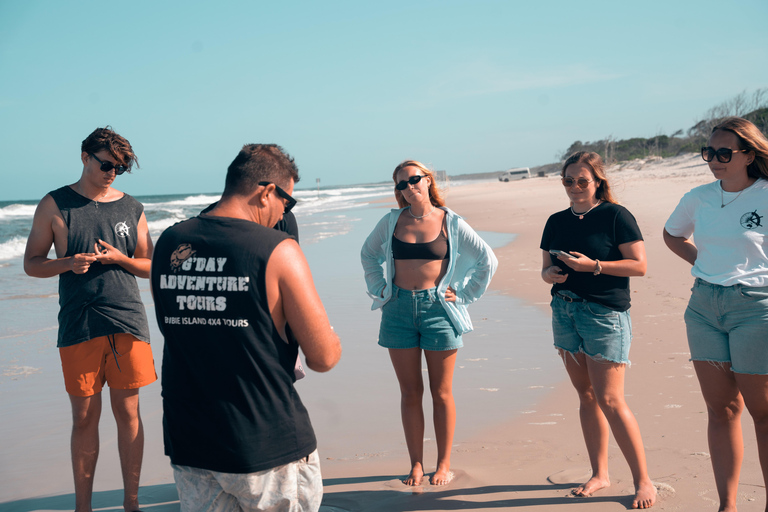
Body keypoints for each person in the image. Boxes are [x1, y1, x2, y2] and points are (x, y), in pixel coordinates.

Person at [151, 144, 341, 511]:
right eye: (287, 202)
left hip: (191, 438)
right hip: (265, 440)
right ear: (266, 191)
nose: (285, 212)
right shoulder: (277, 249)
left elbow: (179, 328)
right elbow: (323, 357)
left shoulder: (170, 242)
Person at [23, 127, 156, 512]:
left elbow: (150, 264)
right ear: (85, 157)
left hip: (127, 320)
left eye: (121, 168)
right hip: (78, 323)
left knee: (128, 412)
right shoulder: (54, 204)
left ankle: (131, 505)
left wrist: (121, 260)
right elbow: (32, 264)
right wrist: (67, 263)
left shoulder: (132, 207)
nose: (113, 172)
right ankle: (84, 508)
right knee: (84, 418)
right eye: (107, 164)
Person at [360, 160, 497, 486]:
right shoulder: (391, 221)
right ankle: (416, 465)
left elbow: (486, 259)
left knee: (442, 392)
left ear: (428, 180)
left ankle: (444, 464)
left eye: (413, 180)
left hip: (439, 311)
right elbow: (368, 255)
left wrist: (464, 294)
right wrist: (379, 289)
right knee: (409, 392)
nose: (408, 188)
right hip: (397, 311)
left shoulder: (451, 222)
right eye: (401, 184)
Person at [540, 151, 656, 509]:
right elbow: (544, 267)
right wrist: (551, 275)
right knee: (587, 397)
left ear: (598, 181)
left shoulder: (616, 216)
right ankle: (600, 474)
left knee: (610, 399)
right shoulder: (556, 220)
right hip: (565, 311)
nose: (575, 187)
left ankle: (643, 481)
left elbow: (640, 266)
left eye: (582, 180)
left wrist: (595, 266)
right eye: (568, 180)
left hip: (604, 314)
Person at [664, 117, 768, 512]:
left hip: (756, 309)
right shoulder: (698, 197)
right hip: (704, 308)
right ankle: (728, 506)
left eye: (724, 153)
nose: (714, 160)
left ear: (748, 154)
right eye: (709, 152)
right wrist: (701, 262)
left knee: (763, 413)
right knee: (721, 409)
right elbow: (672, 234)